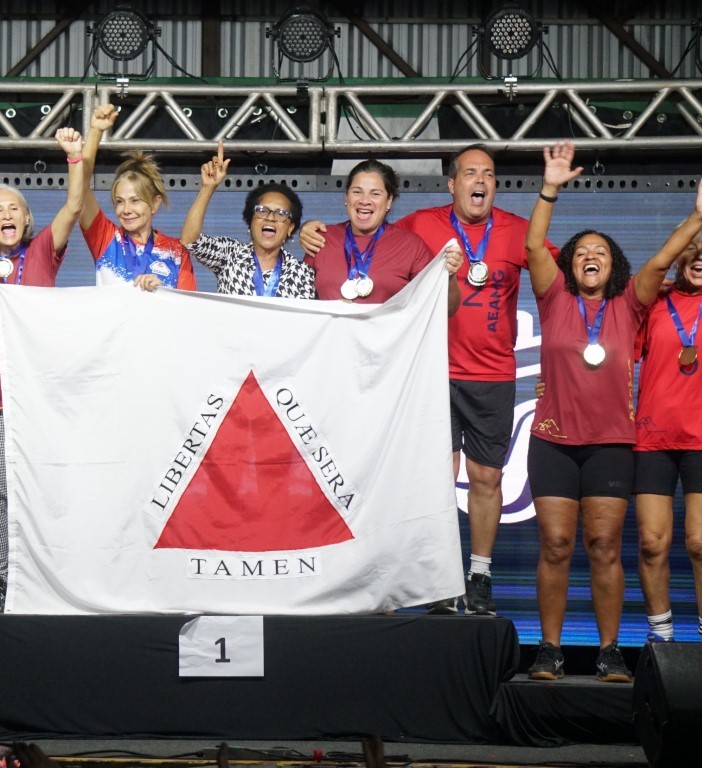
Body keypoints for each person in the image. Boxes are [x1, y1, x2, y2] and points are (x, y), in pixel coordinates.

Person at [523, 141, 702, 682]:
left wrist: (698, 218)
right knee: (556, 545)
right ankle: (549, 650)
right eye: (581, 251)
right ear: (569, 263)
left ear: (613, 264)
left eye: (600, 250)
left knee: (603, 547)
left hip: (611, 445)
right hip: (553, 441)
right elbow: (532, 245)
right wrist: (549, 188)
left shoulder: (630, 304)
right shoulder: (553, 297)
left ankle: (608, 651)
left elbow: (663, 260)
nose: (590, 255)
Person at [393, 146, 558, 616]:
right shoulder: (420, 225)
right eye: (470, 172)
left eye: (488, 173)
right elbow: (374, 246)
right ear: (452, 184)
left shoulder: (517, 230)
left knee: (487, 477)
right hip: (432, 371)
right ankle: (439, 576)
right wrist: (317, 232)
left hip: (493, 375)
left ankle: (480, 574)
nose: (480, 180)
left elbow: (561, 279)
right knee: (437, 479)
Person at [0, 126, 88, 612]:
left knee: (45, 489)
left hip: (41, 397)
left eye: (15, 208)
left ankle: (50, 577)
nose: (7, 214)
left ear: (27, 219)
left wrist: (75, 157)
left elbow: (74, 206)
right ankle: (0, 580)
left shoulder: (44, 251)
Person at [634, 227, 702, 642]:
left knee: (700, 542)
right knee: (651, 543)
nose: (701, 258)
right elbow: (615, 356)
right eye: (694, 250)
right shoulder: (654, 304)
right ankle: (663, 640)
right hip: (653, 440)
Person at [299, 159, 462, 309]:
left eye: (375, 194)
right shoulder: (321, 238)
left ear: (389, 201)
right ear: (346, 197)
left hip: (390, 333)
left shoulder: (410, 245)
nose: (364, 200)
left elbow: (445, 308)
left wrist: (449, 277)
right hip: (331, 332)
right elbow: (299, 299)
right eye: (357, 192)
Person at [80, 103, 196, 292]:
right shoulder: (106, 238)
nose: (126, 210)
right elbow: (80, 186)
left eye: (135, 200)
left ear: (154, 204)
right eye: (119, 201)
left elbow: (187, 306)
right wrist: (95, 132)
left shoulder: (176, 252)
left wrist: (163, 292)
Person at [180, 141, 314, 298]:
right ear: (251, 219)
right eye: (262, 211)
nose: (270, 218)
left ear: (290, 227)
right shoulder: (230, 255)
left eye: (280, 213)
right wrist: (207, 188)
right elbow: (190, 240)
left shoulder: (302, 273)